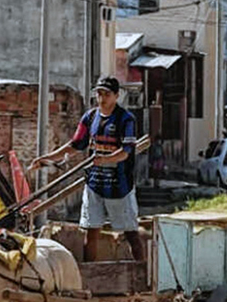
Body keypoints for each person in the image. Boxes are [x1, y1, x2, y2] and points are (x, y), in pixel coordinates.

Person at [30, 76, 144, 262]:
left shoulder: (126, 119)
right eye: (99, 93)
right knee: (91, 233)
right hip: (94, 185)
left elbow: (127, 151)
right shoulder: (90, 118)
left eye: (107, 94)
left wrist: (106, 159)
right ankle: (90, 275)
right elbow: (74, 145)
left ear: (117, 96)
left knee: (131, 233)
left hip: (119, 187)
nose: (102, 98)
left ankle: (141, 274)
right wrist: (46, 158)